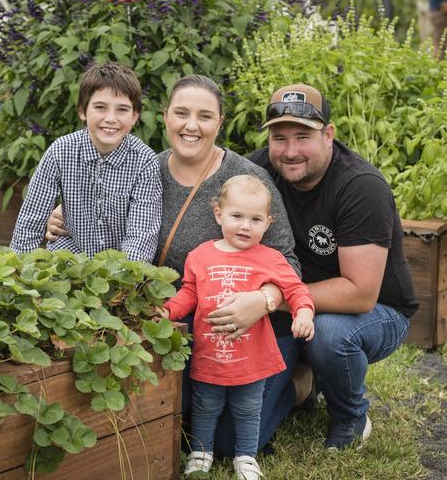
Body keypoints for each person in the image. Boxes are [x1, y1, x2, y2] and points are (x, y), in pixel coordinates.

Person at [45, 75, 304, 458]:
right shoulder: (143, 168)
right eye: (181, 113)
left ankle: (299, 384)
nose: (191, 125)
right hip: (170, 321)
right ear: (165, 117)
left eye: (204, 116)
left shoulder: (246, 181)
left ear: (220, 122)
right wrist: (63, 216)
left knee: (228, 443)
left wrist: (262, 300)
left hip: (244, 331)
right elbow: (105, 224)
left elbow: (289, 263)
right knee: (166, 418)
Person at [227, 83, 418, 450]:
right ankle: (303, 382)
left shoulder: (360, 187)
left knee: (329, 336)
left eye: (303, 136)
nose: (290, 150)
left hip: (373, 311)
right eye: (279, 138)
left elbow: (360, 293)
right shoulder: (259, 172)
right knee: (234, 428)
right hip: (292, 307)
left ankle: (350, 414)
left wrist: (268, 300)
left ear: (328, 135)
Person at [157, 175, 315, 478]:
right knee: (205, 406)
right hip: (209, 354)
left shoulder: (270, 258)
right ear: (219, 215)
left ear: (268, 223)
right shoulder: (200, 256)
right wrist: (167, 310)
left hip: (251, 358)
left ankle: (246, 456)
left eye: (256, 219)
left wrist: (304, 313)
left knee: (247, 409)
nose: (245, 226)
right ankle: (201, 452)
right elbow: (189, 293)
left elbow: (297, 290)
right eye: (237, 216)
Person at [10, 61, 162, 262]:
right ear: (82, 111)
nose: (110, 118)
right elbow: (31, 219)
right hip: (71, 255)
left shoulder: (145, 162)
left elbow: (140, 238)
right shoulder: (61, 151)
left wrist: (122, 284)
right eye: (100, 107)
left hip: (119, 263)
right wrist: (17, 271)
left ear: (135, 116)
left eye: (122, 110)